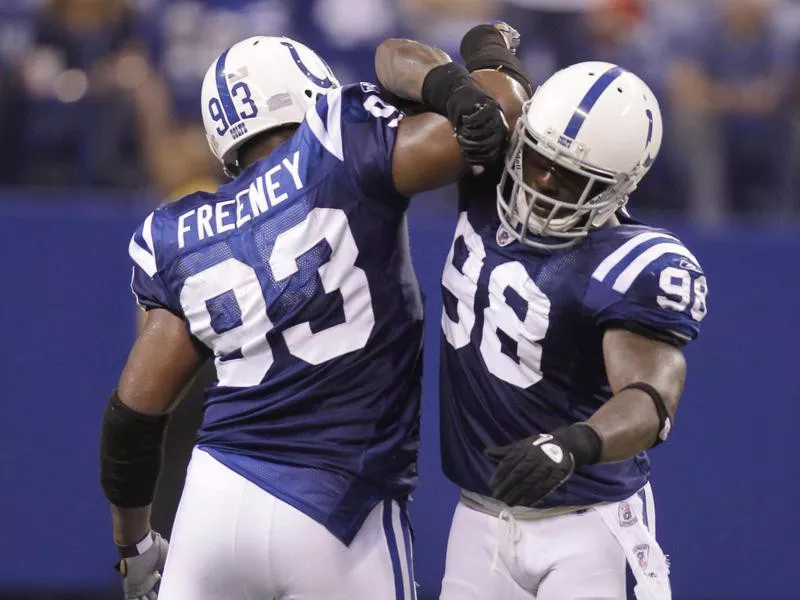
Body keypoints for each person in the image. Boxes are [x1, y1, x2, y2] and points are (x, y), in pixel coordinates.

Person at [99, 34, 526, 600]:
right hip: (341, 508)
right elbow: (499, 105)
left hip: (213, 503)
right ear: (308, 88)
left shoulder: (180, 229)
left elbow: (132, 416)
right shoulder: (337, 144)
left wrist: (135, 547)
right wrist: (487, 59)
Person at [378, 27, 708, 600]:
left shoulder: (632, 260)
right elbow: (391, 57)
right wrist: (461, 89)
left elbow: (651, 397)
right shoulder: (495, 159)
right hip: (479, 517)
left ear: (618, 187)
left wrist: (572, 445)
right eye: (537, 157)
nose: (545, 180)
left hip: (590, 524)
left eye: (573, 176)